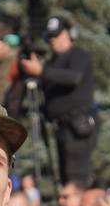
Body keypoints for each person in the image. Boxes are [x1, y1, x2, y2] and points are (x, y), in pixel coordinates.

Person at [20, 14, 97, 185]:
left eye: (57, 35)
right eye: (50, 37)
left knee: (75, 177)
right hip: (60, 126)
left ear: (70, 34)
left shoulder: (78, 55)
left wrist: (41, 71)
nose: (53, 40)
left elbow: (73, 78)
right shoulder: (52, 62)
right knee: (65, 176)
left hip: (77, 125)